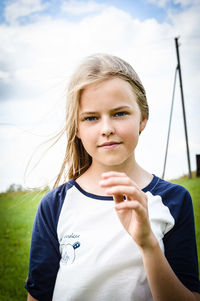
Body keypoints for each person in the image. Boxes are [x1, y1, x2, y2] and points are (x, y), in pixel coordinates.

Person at [25, 54, 200, 301]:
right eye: (91, 118)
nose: (106, 128)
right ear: (77, 127)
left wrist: (148, 244)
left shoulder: (173, 200)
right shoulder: (55, 204)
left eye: (119, 113)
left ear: (143, 118)